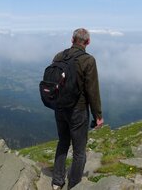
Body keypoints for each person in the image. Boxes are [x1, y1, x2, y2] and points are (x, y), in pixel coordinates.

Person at [52, 28, 103, 189]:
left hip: (59, 108)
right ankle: (74, 185)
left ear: (72, 39)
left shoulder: (59, 56)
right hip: (78, 110)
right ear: (87, 42)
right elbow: (92, 90)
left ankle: (57, 182)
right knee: (79, 151)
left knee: (63, 143)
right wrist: (98, 115)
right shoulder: (88, 60)